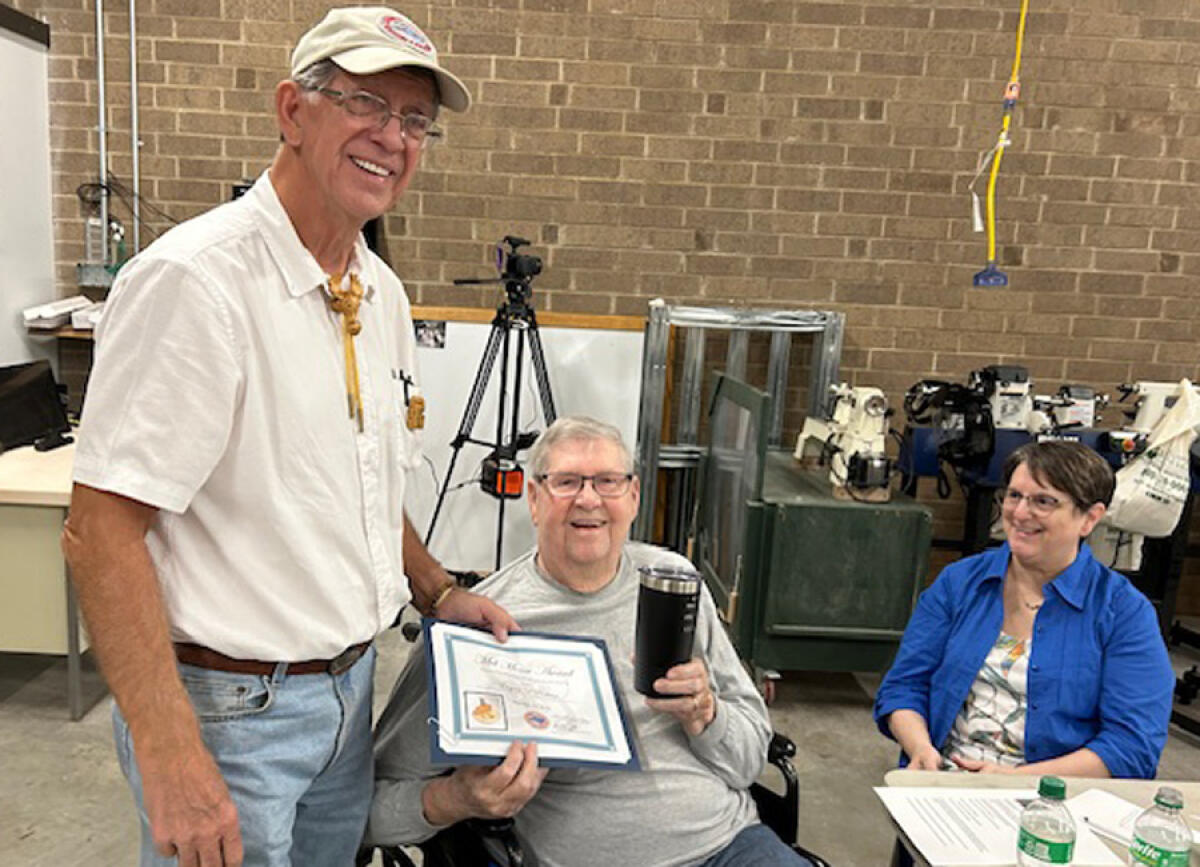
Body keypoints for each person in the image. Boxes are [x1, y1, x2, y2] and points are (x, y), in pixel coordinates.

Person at [61, 7, 517, 866]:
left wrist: (435, 589)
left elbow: (365, 480)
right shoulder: (197, 284)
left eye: (415, 120)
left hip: (349, 692)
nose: (394, 137)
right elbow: (99, 532)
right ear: (292, 111)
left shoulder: (376, 292)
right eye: (367, 105)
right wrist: (169, 754)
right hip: (232, 713)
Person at [368, 416, 814, 866]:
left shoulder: (674, 584)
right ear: (535, 499)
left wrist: (708, 716)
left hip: (729, 846)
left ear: (634, 497)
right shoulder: (478, 624)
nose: (588, 498)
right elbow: (369, 810)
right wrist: (455, 799)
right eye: (566, 482)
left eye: (608, 482)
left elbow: (750, 756)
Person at [874, 440, 1173, 779]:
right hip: (942, 780)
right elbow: (903, 687)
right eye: (1014, 495)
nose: (1019, 513)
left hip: (1054, 803)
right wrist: (921, 749)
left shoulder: (1123, 613)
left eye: (1043, 501)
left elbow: (1132, 746)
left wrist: (1017, 779)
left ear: (1090, 517)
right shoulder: (960, 583)